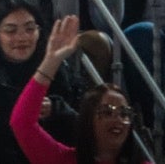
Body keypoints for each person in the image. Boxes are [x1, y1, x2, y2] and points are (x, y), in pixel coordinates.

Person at [0, 0, 78, 164]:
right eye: (11, 30)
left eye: (30, 29)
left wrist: (56, 110)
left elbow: (84, 129)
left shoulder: (58, 69)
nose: (22, 38)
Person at [10, 16, 145, 164]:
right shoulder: (63, 160)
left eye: (124, 113)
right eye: (107, 111)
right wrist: (52, 60)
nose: (117, 119)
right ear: (88, 120)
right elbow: (22, 123)